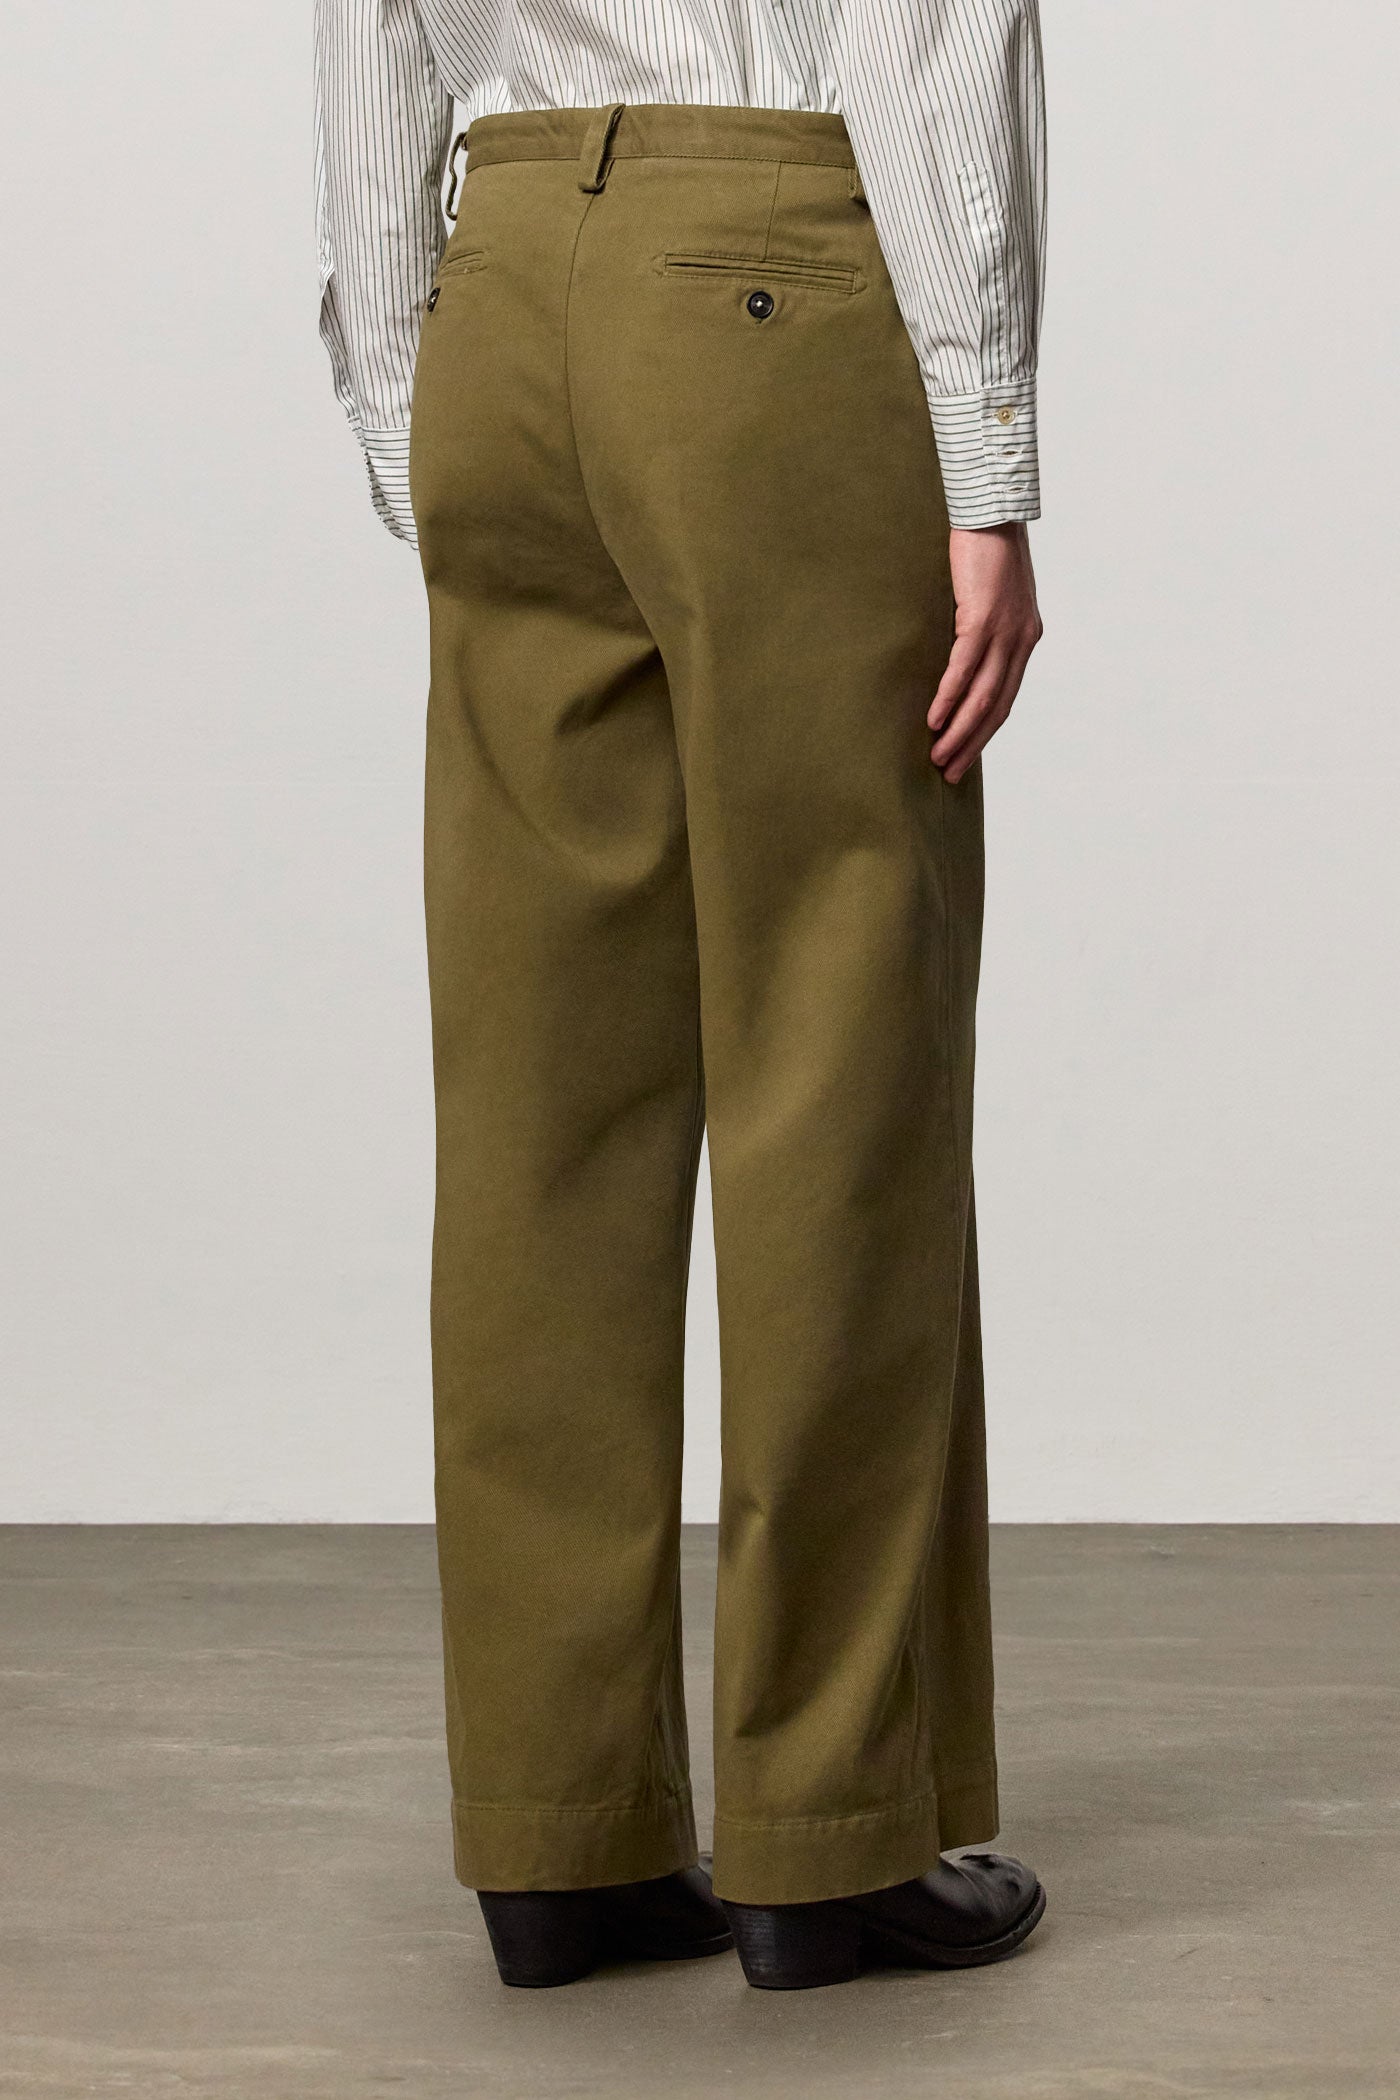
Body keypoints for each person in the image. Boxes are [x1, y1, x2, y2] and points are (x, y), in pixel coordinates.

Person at [315, 0, 1047, 1992]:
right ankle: (830, 1834)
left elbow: (369, 46)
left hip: (497, 279)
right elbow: (920, 34)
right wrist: (986, 460)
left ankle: (558, 1837)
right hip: (767, 280)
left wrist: (404, 387)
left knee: (539, 1104)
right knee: (837, 1065)